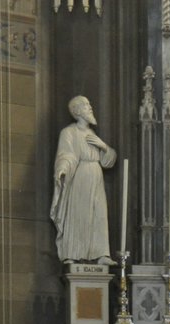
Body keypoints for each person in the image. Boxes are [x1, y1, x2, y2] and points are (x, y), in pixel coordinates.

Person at [50, 95, 117, 263]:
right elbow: (66, 154)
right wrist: (62, 169)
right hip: (80, 177)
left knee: (98, 214)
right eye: (86, 105)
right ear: (77, 111)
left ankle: (101, 253)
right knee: (77, 214)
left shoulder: (92, 134)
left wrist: (103, 146)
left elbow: (108, 161)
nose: (90, 107)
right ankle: (71, 254)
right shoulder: (69, 132)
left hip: (96, 175)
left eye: (89, 104)